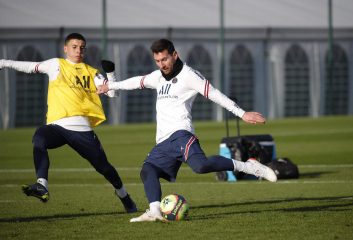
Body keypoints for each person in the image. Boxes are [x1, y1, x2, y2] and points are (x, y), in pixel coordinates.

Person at [96, 38, 277, 222]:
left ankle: (249, 166)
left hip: (181, 133)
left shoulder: (189, 75)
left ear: (175, 55)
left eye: (165, 59)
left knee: (201, 166)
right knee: (148, 170)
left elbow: (214, 94)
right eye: (157, 61)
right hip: (164, 140)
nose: (161, 64)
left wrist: (242, 113)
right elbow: (137, 82)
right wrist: (110, 85)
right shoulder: (157, 76)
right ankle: (154, 211)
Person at [0, 33, 137, 213]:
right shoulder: (56, 64)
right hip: (57, 127)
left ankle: (124, 196)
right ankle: (42, 185)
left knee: (104, 168)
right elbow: (30, 67)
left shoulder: (91, 72)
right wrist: (3, 62)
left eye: (82, 47)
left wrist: (111, 74)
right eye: (74, 47)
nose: (78, 50)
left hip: (81, 129)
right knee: (39, 138)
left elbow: (112, 93)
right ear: (66, 48)